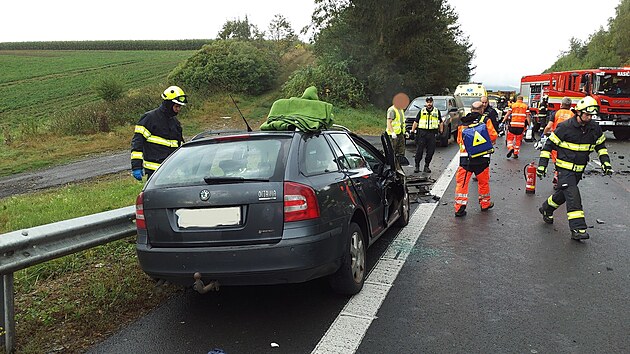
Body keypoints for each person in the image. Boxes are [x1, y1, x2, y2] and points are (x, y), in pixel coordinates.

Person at [537, 96, 613, 240]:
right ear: (578, 112)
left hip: (578, 170)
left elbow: (601, 147)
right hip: (564, 170)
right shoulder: (564, 127)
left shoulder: (594, 128)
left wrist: (606, 163)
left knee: (563, 195)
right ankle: (578, 229)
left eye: (592, 115)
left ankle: (546, 209)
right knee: (573, 196)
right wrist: (542, 166)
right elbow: (548, 146)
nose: (590, 117)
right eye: (587, 114)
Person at [131, 86, 187, 180]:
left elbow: (179, 146)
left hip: (171, 172)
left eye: (179, 107)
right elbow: (137, 143)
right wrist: (136, 166)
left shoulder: (175, 123)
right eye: (176, 106)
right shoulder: (149, 118)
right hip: (154, 173)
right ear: (169, 104)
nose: (178, 109)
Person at [454, 101, 498, 217]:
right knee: (483, 183)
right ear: (482, 109)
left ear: (471, 109)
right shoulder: (485, 120)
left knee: (462, 184)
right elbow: (493, 136)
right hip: (482, 159)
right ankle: (485, 204)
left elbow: (459, 140)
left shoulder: (463, 122)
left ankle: (459, 208)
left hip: (466, 159)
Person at [542, 97, 574, 187]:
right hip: (568, 141)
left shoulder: (556, 113)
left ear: (561, 104)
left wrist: (544, 134)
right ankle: (560, 177)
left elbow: (549, 126)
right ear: (570, 105)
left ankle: (557, 176)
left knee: (557, 160)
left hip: (556, 140)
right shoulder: (572, 115)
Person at [410, 96, 443, 173]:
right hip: (422, 133)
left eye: (430, 102)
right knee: (419, 151)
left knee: (430, 151)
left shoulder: (436, 111)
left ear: (432, 102)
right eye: (428, 102)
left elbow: (440, 122)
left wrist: (441, 132)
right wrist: (412, 131)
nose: (429, 104)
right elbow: (416, 122)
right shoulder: (421, 111)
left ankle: (426, 166)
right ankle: (417, 166)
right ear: (426, 103)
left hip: (432, 133)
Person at [386, 93, 409, 158]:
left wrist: (405, 132)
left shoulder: (401, 110)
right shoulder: (392, 110)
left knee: (401, 152)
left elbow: (401, 123)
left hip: (400, 134)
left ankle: (399, 166)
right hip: (393, 135)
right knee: (392, 152)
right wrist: (393, 133)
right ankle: (393, 166)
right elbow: (389, 122)